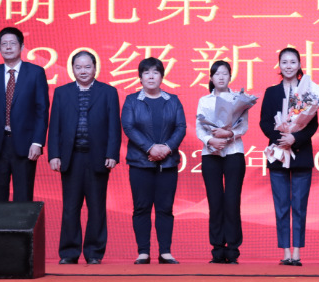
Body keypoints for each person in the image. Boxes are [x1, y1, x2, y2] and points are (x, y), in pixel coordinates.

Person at [48, 51, 121, 265]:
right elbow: (55, 126)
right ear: (72, 69)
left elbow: (114, 126)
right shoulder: (61, 92)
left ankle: (94, 253)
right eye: (78, 67)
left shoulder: (108, 92)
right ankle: (69, 252)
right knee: (70, 208)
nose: (83, 71)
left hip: (97, 157)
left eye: (87, 67)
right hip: (70, 158)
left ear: (95, 68)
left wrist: (112, 153)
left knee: (96, 207)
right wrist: (54, 154)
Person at [121, 57, 187, 265]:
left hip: (167, 164)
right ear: (140, 77)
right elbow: (128, 127)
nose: (151, 76)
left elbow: (181, 127)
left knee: (165, 208)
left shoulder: (173, 100)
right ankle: (143, 252)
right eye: (146, 72)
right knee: (141, 207)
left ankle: (165, 252)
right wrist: (150, 148)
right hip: (140, 163)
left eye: (155, 72)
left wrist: (166, 148)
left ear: (162, 77)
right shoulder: (132, 100)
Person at [259, 48, 318, 266]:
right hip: (278, 154)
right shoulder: (271, 92)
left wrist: (295, 139)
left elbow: (313, 124)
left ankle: (297, 252)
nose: (289, 66)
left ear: (299, 65)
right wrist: (281, 138)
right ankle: (285, 252)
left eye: (293, 62)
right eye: (284, 62)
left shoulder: (307, 91)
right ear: (279, 65)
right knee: (281, 205)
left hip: (301, 154)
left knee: (299, 206)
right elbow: (265, 122)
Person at [0, 27, 50, 202]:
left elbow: (41, 110)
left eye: (12, 43)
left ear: (22, 46)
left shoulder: (36, 73)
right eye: (4, 44)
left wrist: (37, 142)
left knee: (23, 199)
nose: (8, 47)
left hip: (26, 145)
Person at [196, 61, 248, 264]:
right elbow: (199, 128)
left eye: (225, 73)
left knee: (232, 202)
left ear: (230, 77)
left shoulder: (239, 99)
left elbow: (243, 126)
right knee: (215, 202)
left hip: (234, 152)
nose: (220, 77)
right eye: (217, 74)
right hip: (211, 154)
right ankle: (217, 249)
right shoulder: (204, 100)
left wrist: (229, 134)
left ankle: (233, 250)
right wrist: (211, 140)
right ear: (211, 77)